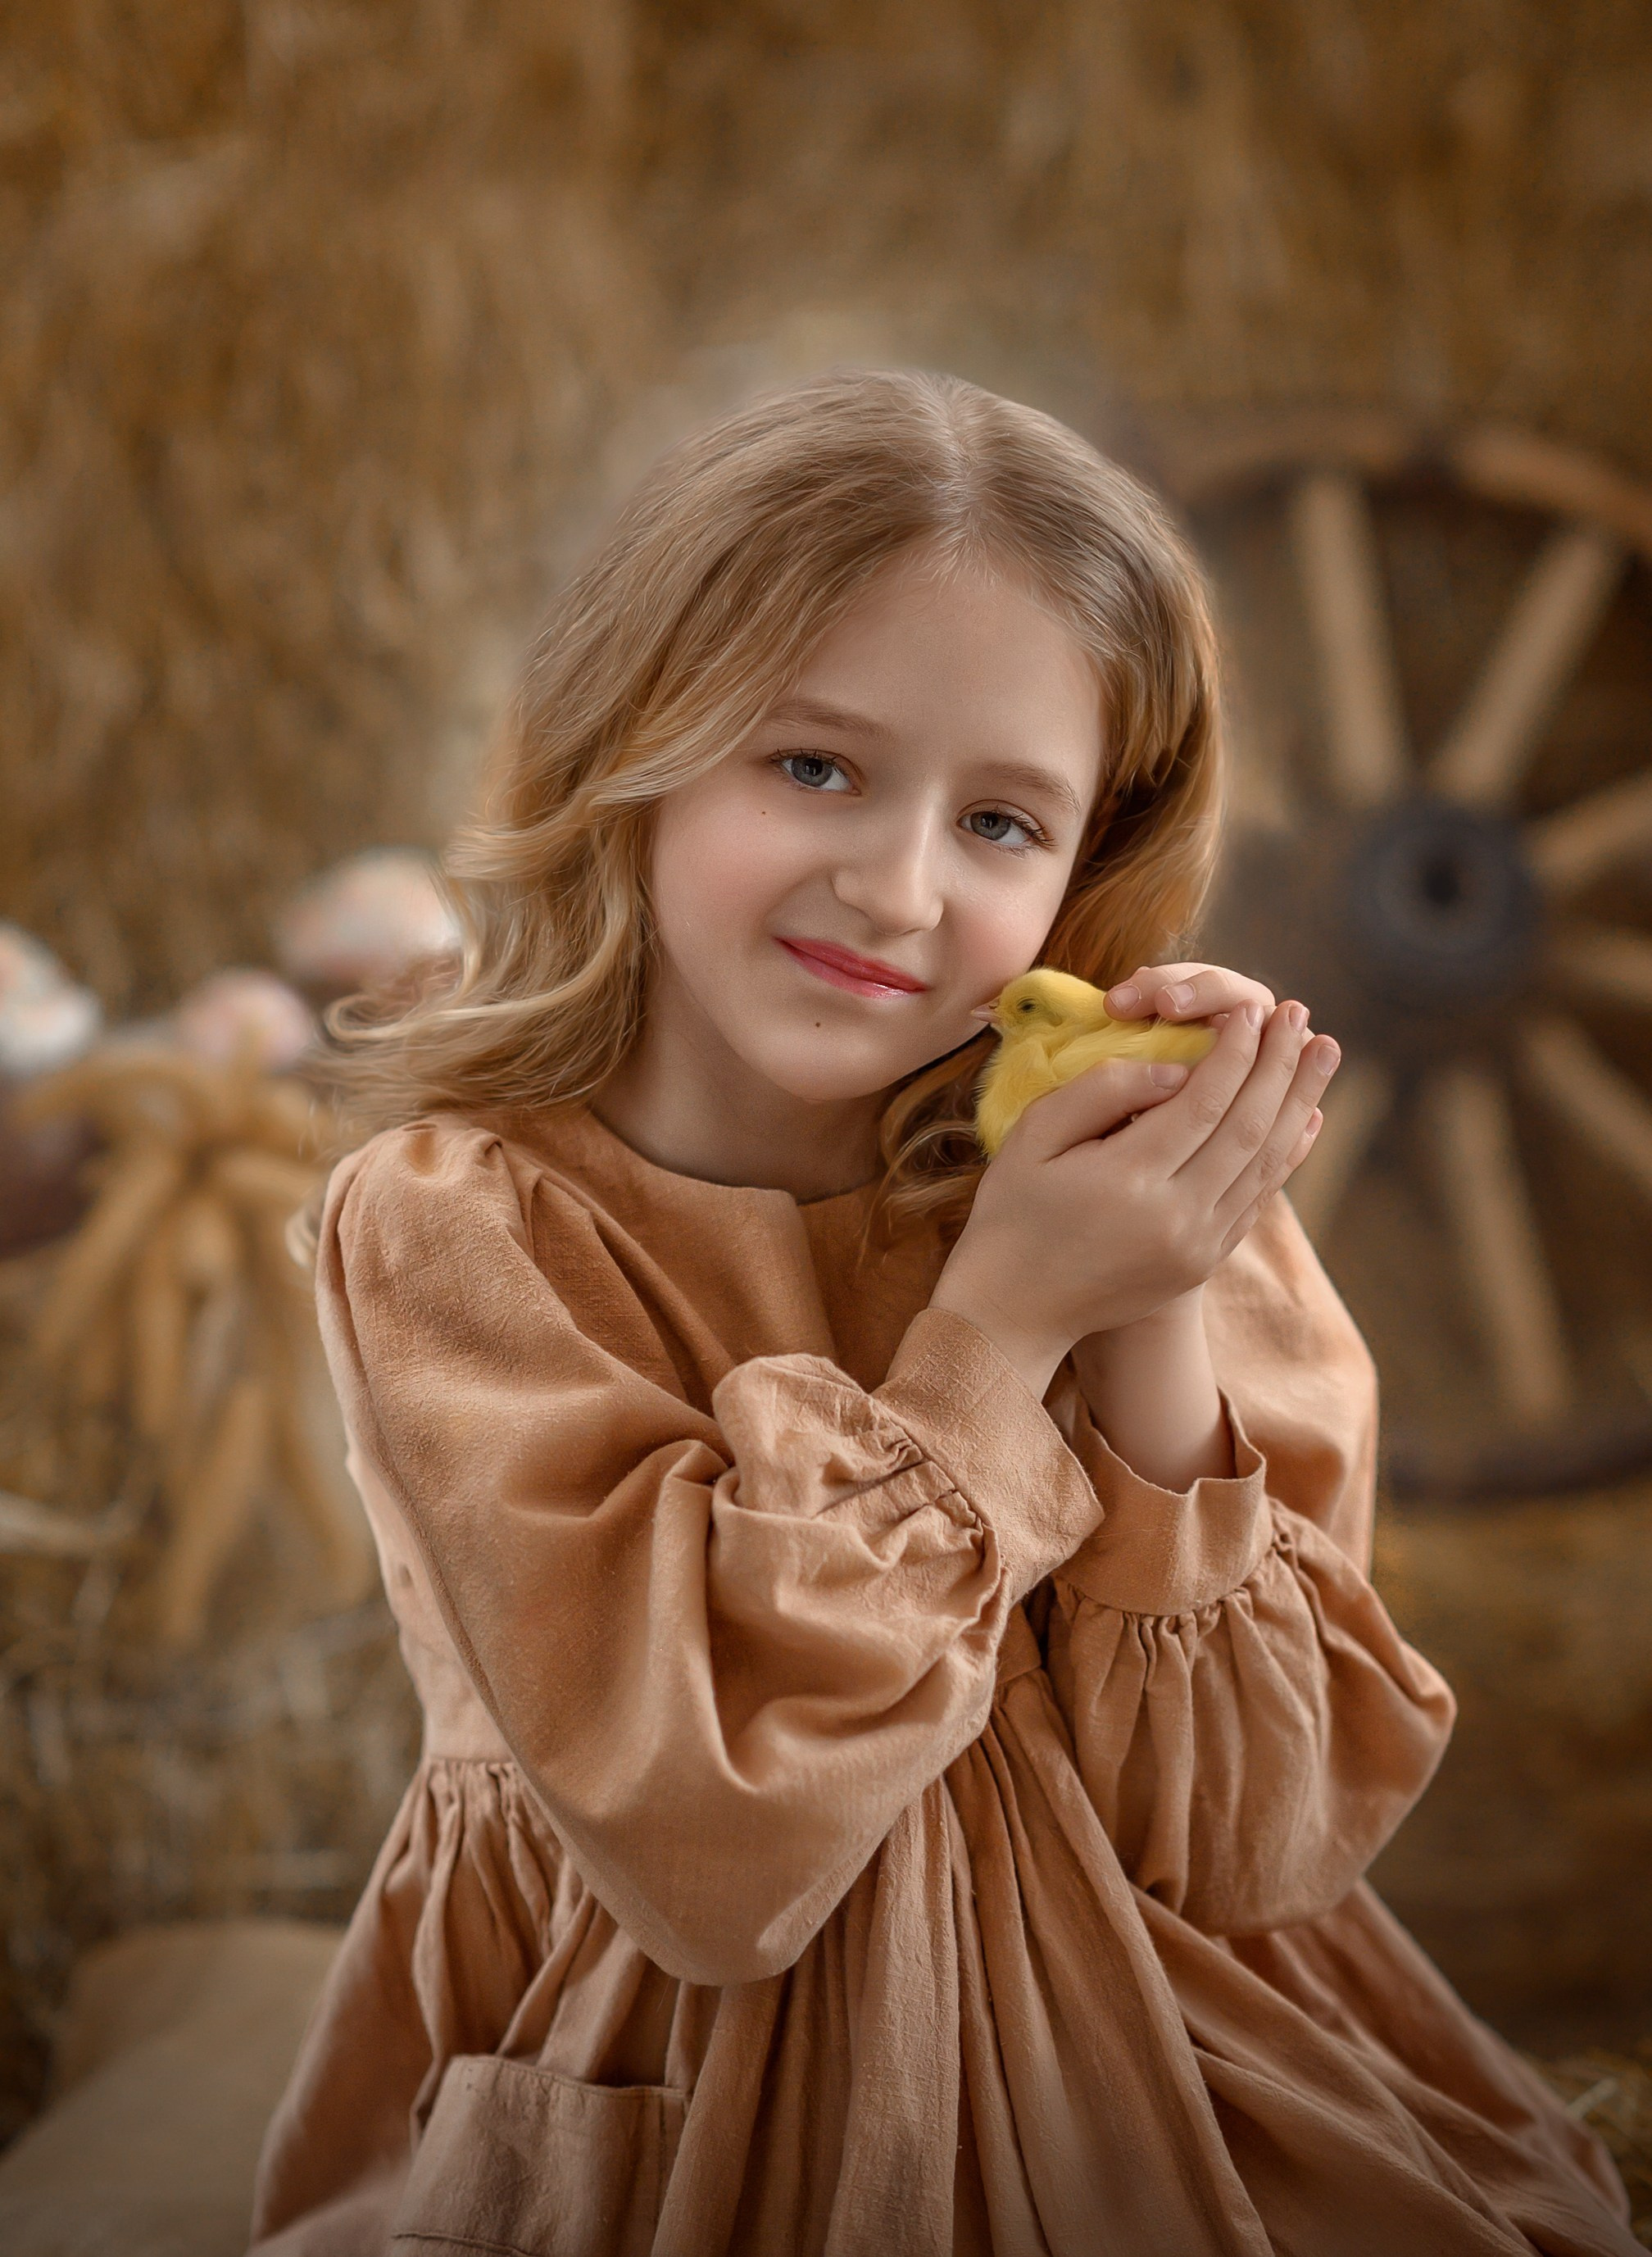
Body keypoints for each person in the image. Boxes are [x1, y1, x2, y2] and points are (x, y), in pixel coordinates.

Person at [249, 370, 1636, 2256]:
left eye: (1001, 823)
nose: (896, 887)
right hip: (669, 2088)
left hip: (1170, 2061)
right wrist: (997, 1323)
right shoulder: (462, 1226)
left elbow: (1248, 1852)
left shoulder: (1121, 1192)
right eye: (812, 766)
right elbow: (712, 1851)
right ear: (630, 741)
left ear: (1088, 868)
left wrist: (1144, 1303)